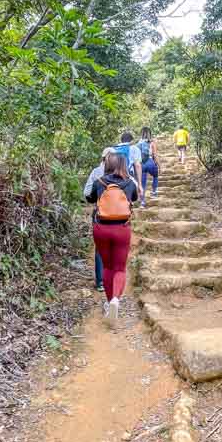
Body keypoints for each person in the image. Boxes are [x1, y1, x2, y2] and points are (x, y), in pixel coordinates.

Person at [85, 151, 139, 322]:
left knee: (107, 267)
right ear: (123, 165)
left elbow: (89, 198)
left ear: (107, 165)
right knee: (120, 268)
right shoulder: (130, 183)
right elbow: (135, 198)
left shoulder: (99, 182)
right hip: (122, 229)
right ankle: (116, 298)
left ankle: (109, 302)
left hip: (101, 228)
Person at [83, 148, 114, 292]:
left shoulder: (96, 172)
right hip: (119, 216)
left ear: (103, 158)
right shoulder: (122, 173)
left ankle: (101, 281)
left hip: (101, 214)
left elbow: (87, 193)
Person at [112, 131, 143, 196]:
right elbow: (137, 165)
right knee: (129, 198)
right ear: (131, 141)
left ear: (121, 140)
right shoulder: (134, 148)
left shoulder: (113, 149)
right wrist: (139, 184)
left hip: (112, 176)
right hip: (127, 175)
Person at [138, 127, 160, 202]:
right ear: (150, 134)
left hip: (142, 164)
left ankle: (142, 202)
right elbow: (155, 155)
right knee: (155, 175)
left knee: (143, 183)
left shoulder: (138, 143)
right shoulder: (152, 142)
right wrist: (159, 166)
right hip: (150, 162)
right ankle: (154, 191)